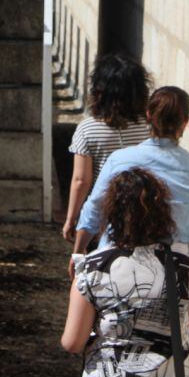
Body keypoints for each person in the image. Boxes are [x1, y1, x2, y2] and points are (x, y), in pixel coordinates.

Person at [61, 167, 189, 377]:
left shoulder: (91, 268)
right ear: (163, 214)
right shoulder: (187, 263)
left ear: (111, 214)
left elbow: (73, 342)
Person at [71, 86, 189, 286]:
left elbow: (95, 208)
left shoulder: (120, 159)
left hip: (121, 261)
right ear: (185, 122)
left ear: (149, 115)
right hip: (181, 267)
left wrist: (78, 252)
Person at [63, 53, 153, 242]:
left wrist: (71, 219)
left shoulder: (87, 129)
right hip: (142, 215)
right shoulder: (150, 127)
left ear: (99, 91)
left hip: (102, 218)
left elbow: (81, 180)